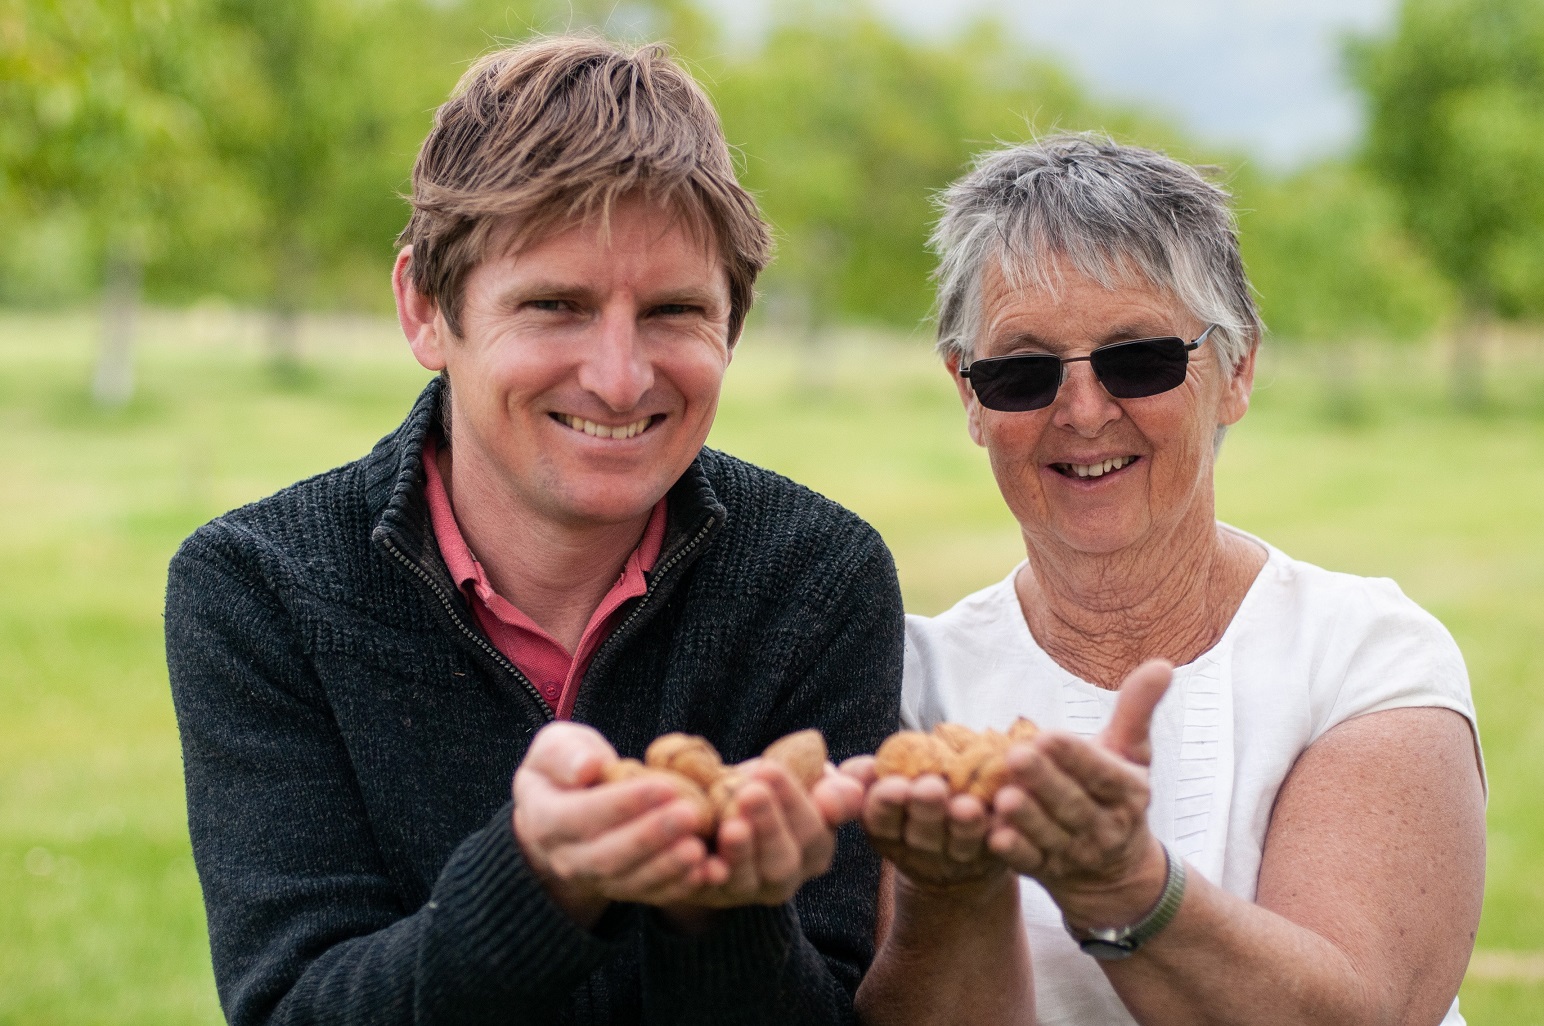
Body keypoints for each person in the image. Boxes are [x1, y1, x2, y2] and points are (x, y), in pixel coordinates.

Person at [165, 37, 903, 1026]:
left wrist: (721, 913)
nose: (618, 376)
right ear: (425, 309)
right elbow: (294, 1006)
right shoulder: (257, 587)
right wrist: (539, 883)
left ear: (732, 323)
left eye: (674, 310)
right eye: (555, 305)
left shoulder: (818, 576)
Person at [847, 135, 1485, 1026]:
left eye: (1139, 358)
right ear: (968, 394)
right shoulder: (909, 682)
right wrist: (951, 890)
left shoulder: (1367, 655)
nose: (1083, 411)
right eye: (1022, 372)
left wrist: (1124, 885)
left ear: (1238, 368)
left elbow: (1360, 1010)